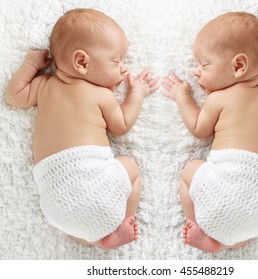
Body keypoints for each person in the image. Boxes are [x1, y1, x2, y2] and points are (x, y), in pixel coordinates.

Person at [5, 8, 159, 250]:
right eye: (116, 61)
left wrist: (30, 64)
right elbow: (121, 125)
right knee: (131, 167)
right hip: (93, 185)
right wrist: (136, 94)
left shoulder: (44, 86)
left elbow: (13, 96)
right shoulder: (101, 95)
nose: (123, 69)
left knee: (77, 224)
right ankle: (120, 222)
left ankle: (88, 236)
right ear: (82, 62)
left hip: (55, 205)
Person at [162, 12, 258, 252]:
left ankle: (198, 225)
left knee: (189, 171)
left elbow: (199, 129)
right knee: (244, 227)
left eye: (204, 64)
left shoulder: (219, 99)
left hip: (227, 188)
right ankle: (232, 241)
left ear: (238, 66)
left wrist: (183, 97)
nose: (196, 72)